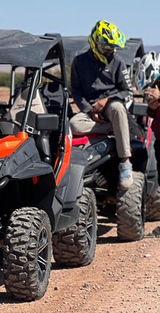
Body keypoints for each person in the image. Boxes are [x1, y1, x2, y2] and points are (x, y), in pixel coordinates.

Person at [69, 20, 136, 190]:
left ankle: (125, 162)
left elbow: (126, 91)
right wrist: (90, 110)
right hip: (91, 110)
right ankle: (116, 128)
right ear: (96, 43)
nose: (111, 51)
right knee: (73, 124)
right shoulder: (79, 62)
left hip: (111, 105)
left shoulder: (118, 62)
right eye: (107, 47)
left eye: (113, 48)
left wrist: (107, 100)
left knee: (118, 108)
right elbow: (76, 91)